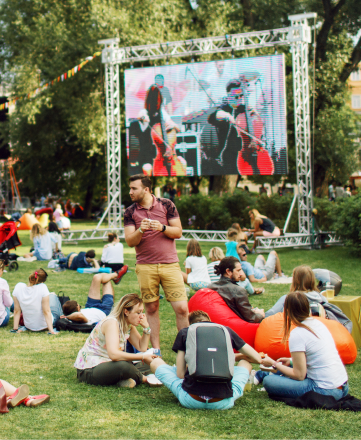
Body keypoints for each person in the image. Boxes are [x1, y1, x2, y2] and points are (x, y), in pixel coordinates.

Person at [123, 174, 188, 349]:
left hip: (170, 264)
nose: (130, 192)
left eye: (134, 188)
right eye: (130, 188)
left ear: (146, 189)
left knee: (182, 308)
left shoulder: (167, 205)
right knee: (151, 309)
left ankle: (186, 350)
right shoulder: (130, 212)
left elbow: (178, 232)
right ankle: (155, 350)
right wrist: (141, 230)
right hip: (145, 266)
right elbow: (130, 241)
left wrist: (162, 227)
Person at [151, 310, 266, 409]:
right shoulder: (226, 330)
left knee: (156, 362)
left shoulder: (185, 332)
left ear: (191, 324)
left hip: (191, 400)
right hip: (223, 402)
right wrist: (235, 357)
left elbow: (180, 374)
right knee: (245, 363)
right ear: (210, 321)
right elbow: (257, 358)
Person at [255, 292, 349, 401]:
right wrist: (290, 362)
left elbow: (299, 375)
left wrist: (273, 363)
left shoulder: (298, 334)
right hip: (343, 386)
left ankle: (263, 375)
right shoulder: (318, 324)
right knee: (286, 365)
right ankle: (261, 374)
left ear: (287, 312)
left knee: (269, 381)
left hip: (325, 390)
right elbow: (315, 357)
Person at [73, 293, 158, 387]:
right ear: (126, 312)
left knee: (151, 361)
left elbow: (142, 348)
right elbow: (113, 355)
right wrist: (142, 357)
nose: (141, 316)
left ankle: (123, 379)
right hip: (90, 369)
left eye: (142, 312)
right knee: (124, 366)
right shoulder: (112, 323)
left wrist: (146, 328)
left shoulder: (128, 325)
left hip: (111, 365)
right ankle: (146, 379)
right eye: (138, 313)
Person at [209, 257, 264, 323]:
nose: (241, 274)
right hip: (240, 326)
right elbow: (251, 318)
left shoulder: (211, 287)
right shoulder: (238, 291)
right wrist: (260, 314)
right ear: (228, 271)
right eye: (238, 270)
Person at [12, 269, 57, 334]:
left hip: (29, 325)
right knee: (53, 297)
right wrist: (51, 331)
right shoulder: (43, 287)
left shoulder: (18, 287)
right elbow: (46, 311)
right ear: (42, 282)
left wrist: (15, 329)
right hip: (45, 325)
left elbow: (16, 310)